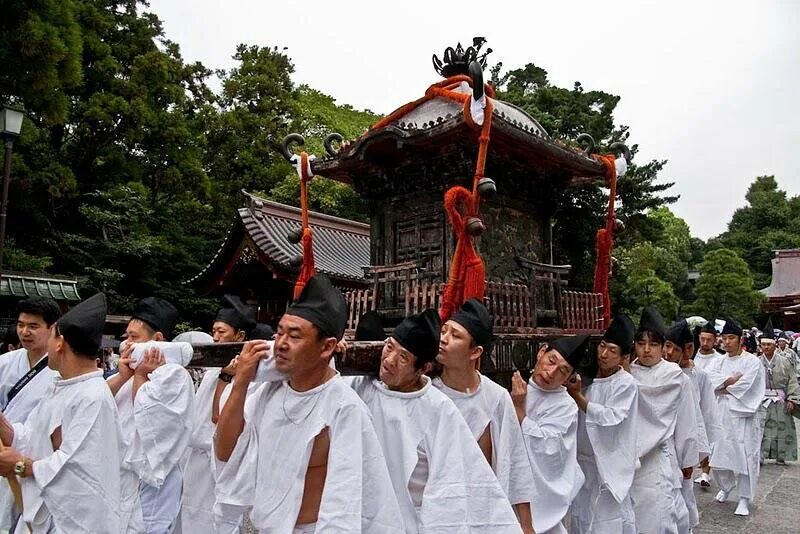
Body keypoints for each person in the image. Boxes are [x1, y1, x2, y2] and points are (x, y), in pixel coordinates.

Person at [214, 275, 404, 533]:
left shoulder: (344, 408)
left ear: (327, 347)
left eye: (294, 336)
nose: (280, 344)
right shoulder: (267, 392)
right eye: (279, 332)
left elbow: (345, 500)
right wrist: (241, 381)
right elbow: (225, 451)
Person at [344, 309, 521, 533]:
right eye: (389, 347)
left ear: (424, 368)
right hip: (355, 515)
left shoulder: (438, 408)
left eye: (403, 357)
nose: (389, 360)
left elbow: (451, 487)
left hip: (407, 522)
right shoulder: (362, 386)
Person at [0, 293, 122, 533]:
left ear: (59, 343)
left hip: (71, 521)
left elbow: (74, 468)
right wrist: (6, 429)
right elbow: (33, 436)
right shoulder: (62, 386)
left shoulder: (92, 396)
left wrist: (20, 466)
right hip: (42, 512)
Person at [433, 299, 536, 532]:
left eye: (455, 335)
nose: (443, 339)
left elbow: (516, 461)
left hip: (484, 512)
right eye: (443, 331)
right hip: (438, 514)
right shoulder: (428, 394)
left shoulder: (496, 397)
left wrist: (527, 526)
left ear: (475, 351)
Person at [106, 296, 194, 533]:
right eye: (127, 337)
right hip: (119, 476)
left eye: (135, 338)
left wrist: (140, 377)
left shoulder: (174, 375)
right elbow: (99, 403)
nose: (127, 344)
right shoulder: (127, 371)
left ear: (157, 340)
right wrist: (124, 376)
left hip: (152, 480)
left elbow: (152, 420)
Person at [180, 295, 256, 533]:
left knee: (214, 521)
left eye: (221, 332)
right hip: (197, 459)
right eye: (213, 331)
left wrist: (226, 377)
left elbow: (219, 417)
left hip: (218, 459)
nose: (215, 338)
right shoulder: (216, 368)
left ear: (240, 336)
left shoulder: (242, 372)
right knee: (190, 515)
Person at [565, 314, 638, 534]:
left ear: (624, 357)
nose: (604, 354)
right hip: (583, 462)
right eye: (603, 347)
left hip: (607, 465)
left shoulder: (626, 383)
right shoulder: (587, 379)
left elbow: (611, 418)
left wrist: (579, 398)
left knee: (607, 521)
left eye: (612, 351)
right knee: (581, 517)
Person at [628, 306, 698, 534]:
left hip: (657, 456)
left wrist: (688, 458)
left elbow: (687, 419)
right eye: (641, 343)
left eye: (654, 344)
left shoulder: (673, 375)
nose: (646, 350)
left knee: (657, 516)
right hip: (626, 458)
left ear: (663, 346)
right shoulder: (627, 372)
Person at [511, 335, 588, 534]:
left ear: (568, 378)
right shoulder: (518, 387)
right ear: (541, 353)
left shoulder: (566, 406)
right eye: (551, 361)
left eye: (562, 371)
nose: (551, 372)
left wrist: (519, 412)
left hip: (541, 504)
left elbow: (549, 450)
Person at [0, 297, 61, 531]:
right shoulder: (5, 363)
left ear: (52, 328)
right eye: (20, 325)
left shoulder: (60, 369)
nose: (24, 332)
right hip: (3, 451)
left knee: (31, 519)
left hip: (35, 457)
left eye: (33, 326)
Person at [704, 317, 765, 517]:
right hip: (721, 414)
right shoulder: (718, 361)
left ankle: (745, 498)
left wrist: (723, 386)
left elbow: (745, 387)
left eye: (731, 338)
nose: (727, 342)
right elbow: (709, 381)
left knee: (745, 456)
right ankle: (726, 486)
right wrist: (728, 381)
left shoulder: (753, 362)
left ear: (740, 340)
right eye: (725, 338)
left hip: (743, 416)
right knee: (719, 455)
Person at [664, 319, 721, 531]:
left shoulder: (698, 376)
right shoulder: (660, 371)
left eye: (675, 348)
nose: (668, 353)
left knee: (684, 490)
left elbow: (704, 413)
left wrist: (699, 450)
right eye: (666, 345)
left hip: (686, 439)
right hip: (665, 441)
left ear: (688, 349)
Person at [758, 324, 797, 465]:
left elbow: (793, 380)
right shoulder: (756, 362)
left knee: (782, 428)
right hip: (761, 399)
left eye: (769, 344)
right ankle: (759, 455)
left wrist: (792, 399)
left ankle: (782, 455)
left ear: (774, 345)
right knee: (761, 429)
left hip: (780, 398)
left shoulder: (785, 362)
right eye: (763, 345)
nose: (766, 347)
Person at [692, 319, 722, 486]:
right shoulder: (692, 355)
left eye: (709, 339)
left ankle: (705, 471)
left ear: (715, 340)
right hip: (693, 401)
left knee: (708, 435)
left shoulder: (719, 359)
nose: (704, 343)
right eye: (702, 339)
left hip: (712, 400)